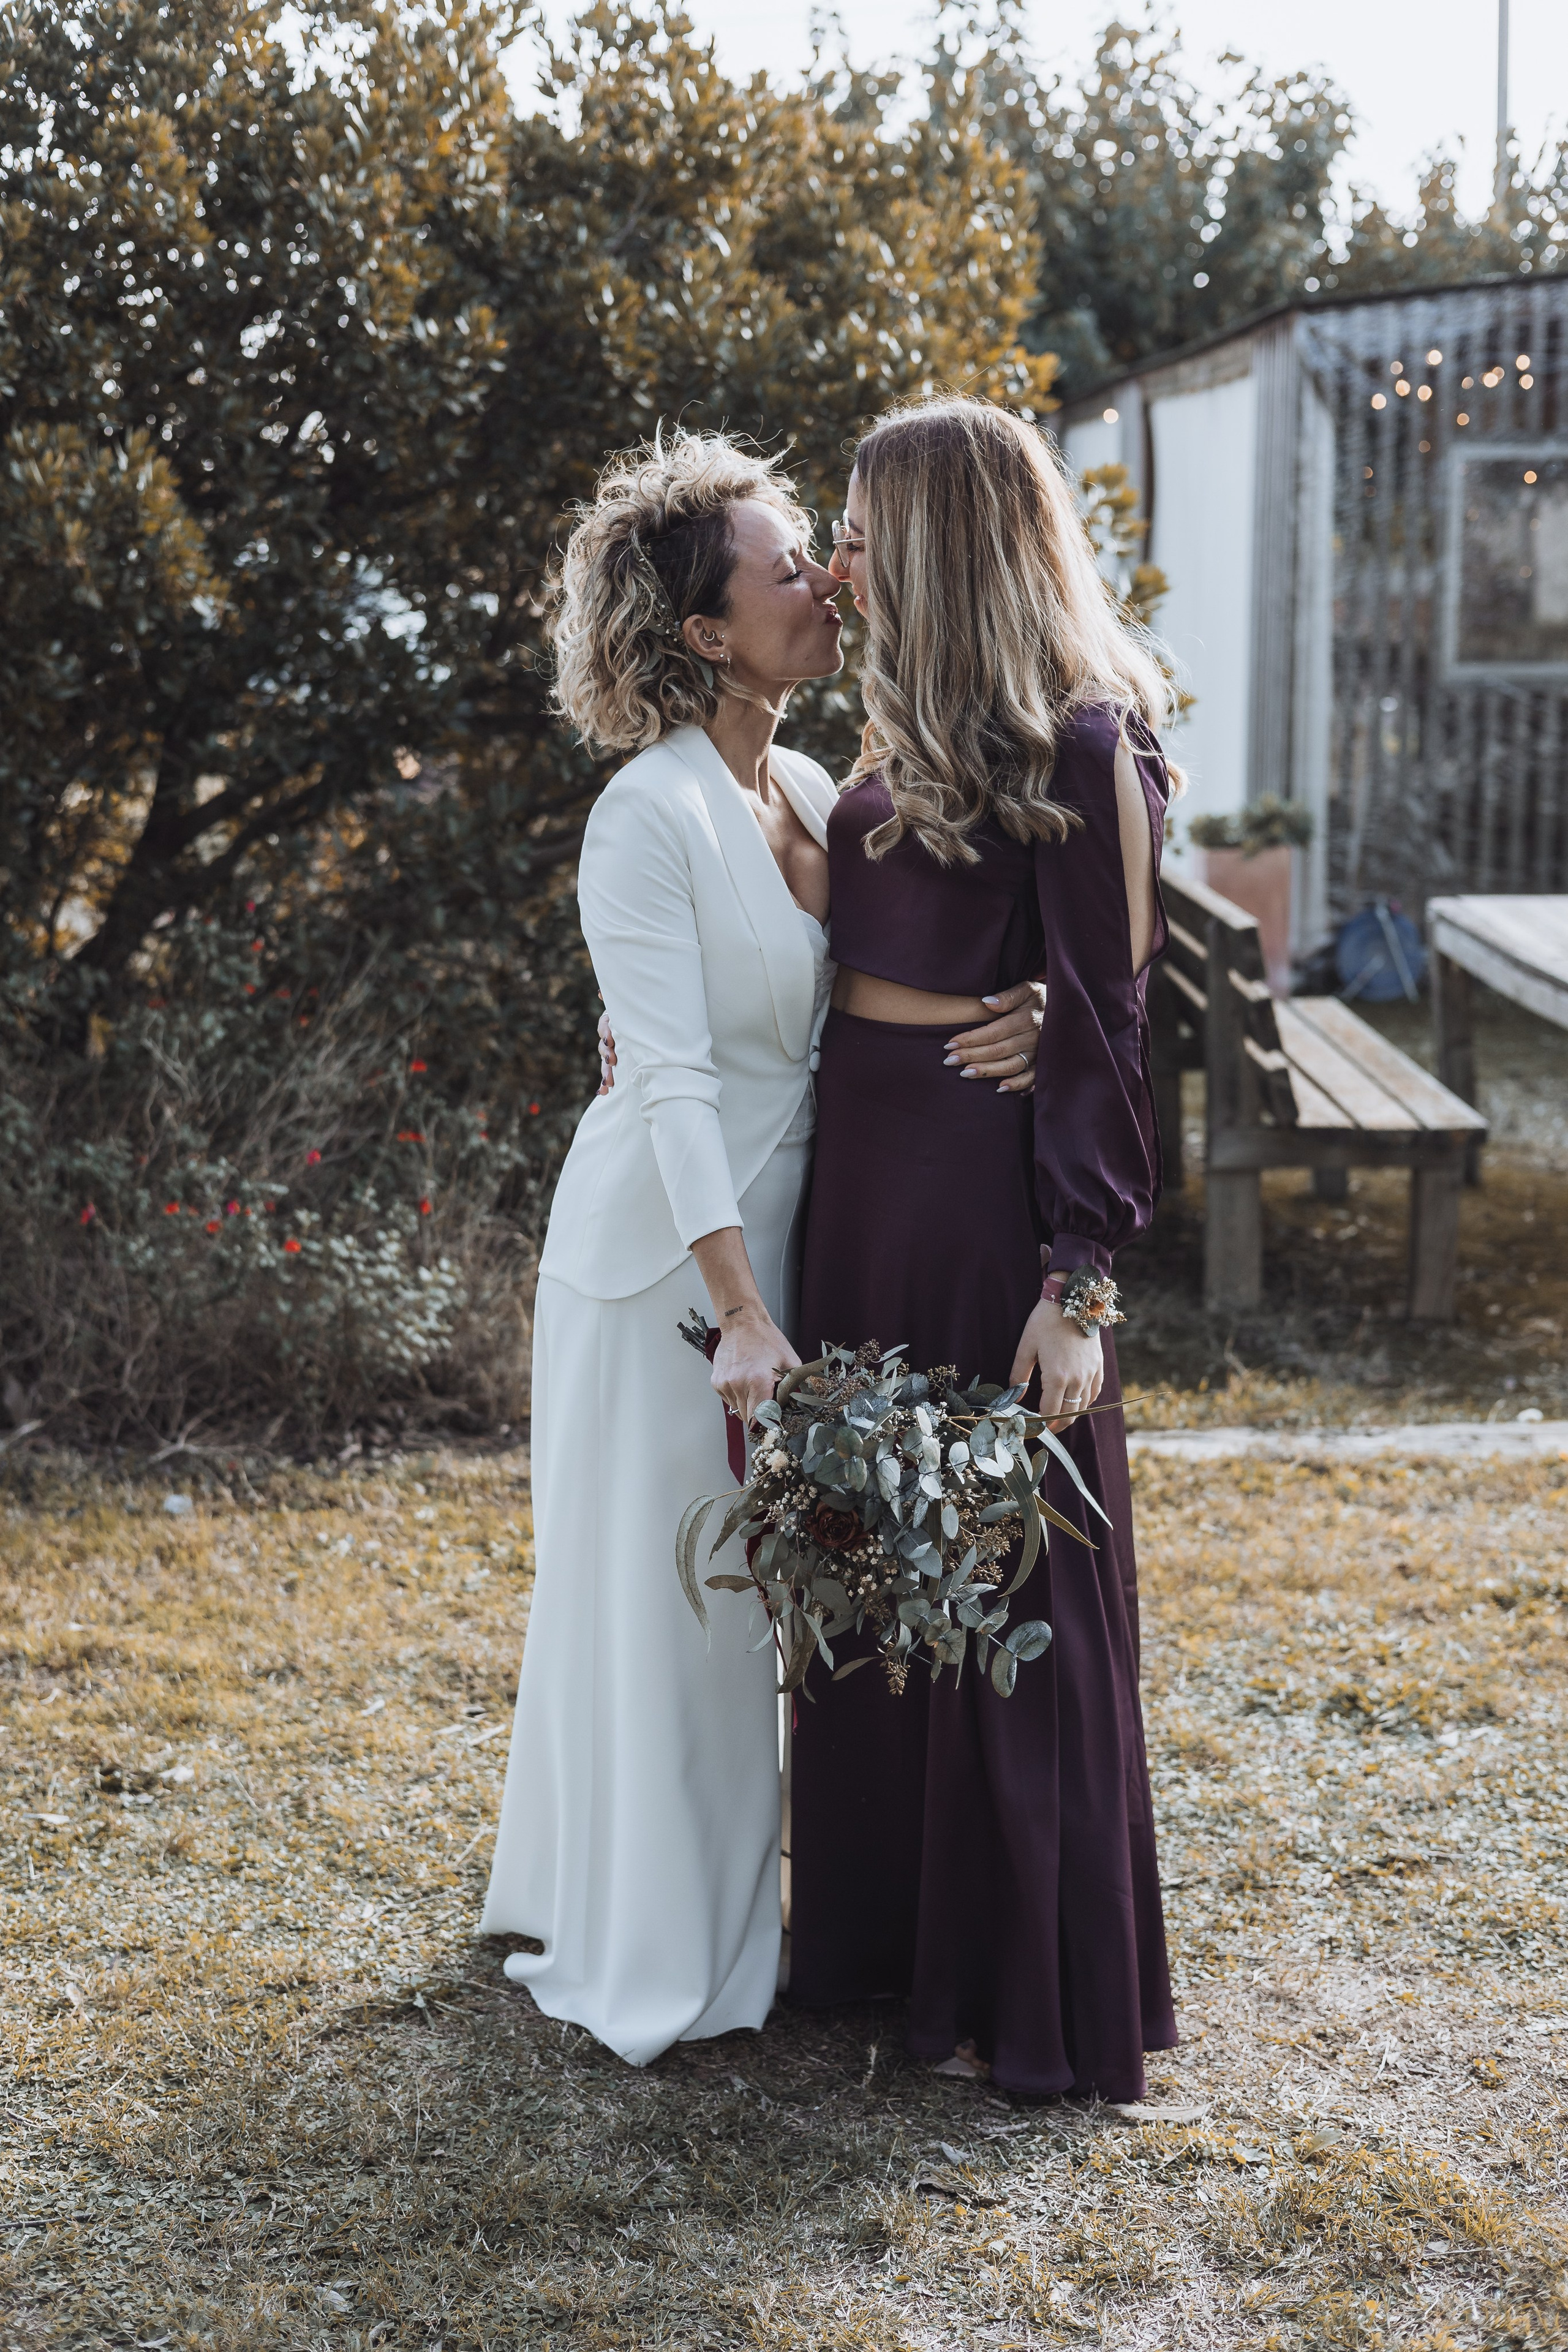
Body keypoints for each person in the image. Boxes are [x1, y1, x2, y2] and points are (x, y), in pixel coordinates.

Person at [481, 427, 1042, 2067]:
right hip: (668, 1268)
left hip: (799, 1245)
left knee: (772, 1599)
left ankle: (694, 1899)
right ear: (706, 631)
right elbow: (666, 1077)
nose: (825, 582)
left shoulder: (809, 786)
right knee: (679, 1607)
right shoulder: (642, 815)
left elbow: (892, 979)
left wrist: (1037, 1006)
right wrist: (737, 1310)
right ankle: (662, 1948)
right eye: (788, 565)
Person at [788, 396, 1179, 2104]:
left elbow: (1112, 1020)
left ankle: (1020, 1979)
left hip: (978, 1199)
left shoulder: (1087, 745)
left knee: (1010, 1570)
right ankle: (881, 1947)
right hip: (858, 1186)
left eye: (861, 531)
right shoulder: (889, 738)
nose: (836, 563)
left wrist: (1075, 1283)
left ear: (944, 542)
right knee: (871, 1558)